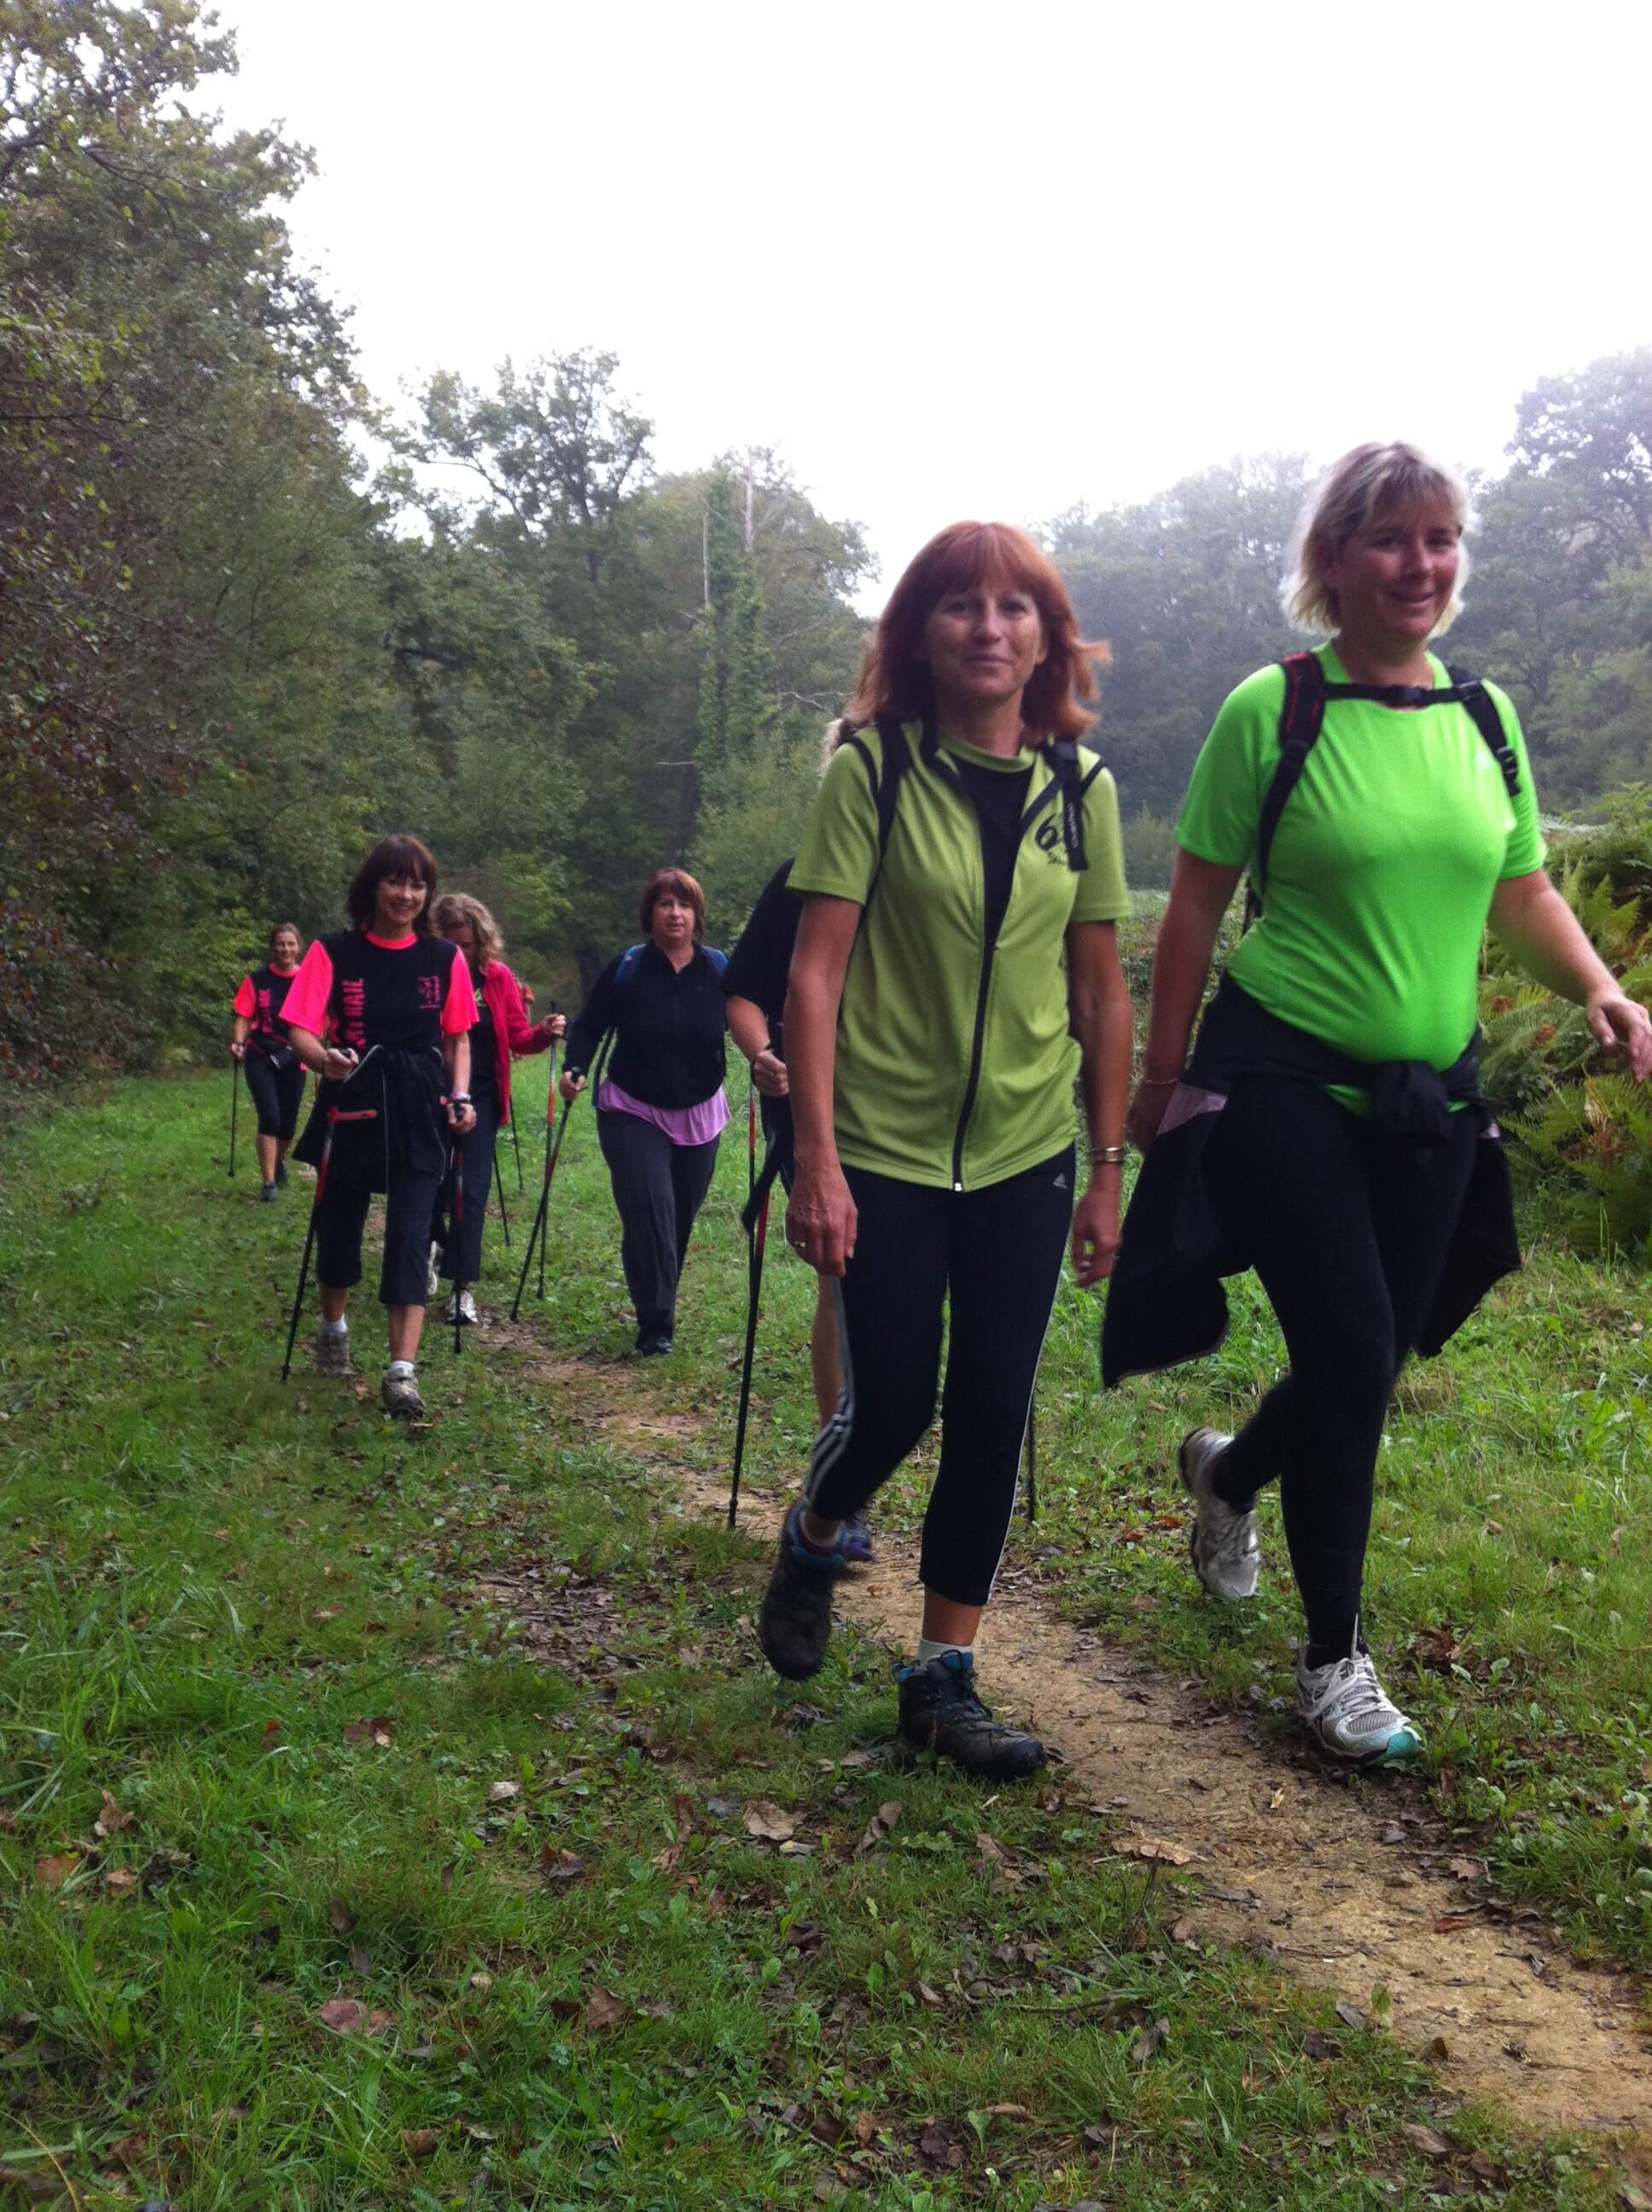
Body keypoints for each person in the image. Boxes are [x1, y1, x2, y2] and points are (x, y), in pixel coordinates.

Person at [1104, 441, 1652, 1768]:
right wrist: (1160, 1079)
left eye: (1441, 538)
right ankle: (1334, 1661)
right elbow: (1192, 908)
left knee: (1375, 1354)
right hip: (1284, 1075)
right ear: (1334, 562)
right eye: (1393, 539)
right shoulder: (1275, 710)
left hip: (1431, 1095)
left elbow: (1522, 887)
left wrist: (1599, 986)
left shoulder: (1485, 716)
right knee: (1353, 1353)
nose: (1422, 564)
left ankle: (1228, 1473)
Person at [762, 521, 1133, 1781]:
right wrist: (817, 1159)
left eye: (1014, 607)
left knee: (990, 1407)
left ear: (1047, 637)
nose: (989, 627)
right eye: (961, 606)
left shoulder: (1082, 790)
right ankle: (818, 1529)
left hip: (1025, 1151)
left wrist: (1107, 1169)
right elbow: (814, 975)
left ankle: (941, 1680)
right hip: (882, 1145)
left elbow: (1102, 992)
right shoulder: (870, 771)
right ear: (919, 635)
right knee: (893, 1403)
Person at [282, 835, 478, 1419]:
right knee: (339, 1229)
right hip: (355, 1096)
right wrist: (323, 1060)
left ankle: (402, 1373)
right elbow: (299, 1027)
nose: (406, 895)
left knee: (412, 1233)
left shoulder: (445, 958)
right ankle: (334, 1327)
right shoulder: (333, 951)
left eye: (418, 884)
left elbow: (457, 1037)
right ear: (373, 886)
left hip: (420, 1105)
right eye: (396, 881)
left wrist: (460, 1095)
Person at [723, 860, 868, 1562]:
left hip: (932, 1118)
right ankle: (846, 1486)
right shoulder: (802, 877)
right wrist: (761, 1054)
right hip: (817, 1117)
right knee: (841, 1279)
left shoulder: (954, 859)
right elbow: (745, 993)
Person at [560, 870, 730, 1355]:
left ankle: (655, 1296)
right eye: (665, 904)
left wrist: (770, 1058)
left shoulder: (720, 970)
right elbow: (589, 1026)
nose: (675, 914)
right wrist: (575, 1067)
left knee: (676, 1219)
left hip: (699, 1112)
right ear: (649, 913)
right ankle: (656, 1324)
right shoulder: (628, 968)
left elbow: (750, 1019)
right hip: (632, 1109)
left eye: (685, 905)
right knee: (650, 1210)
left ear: (697, 916)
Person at [428, 893, 565, 1324]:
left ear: (481, 942)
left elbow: (518, 1036)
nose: (460, 953)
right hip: (427, 1093)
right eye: (451, 944)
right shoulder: (426, 974)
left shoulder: (497, 978)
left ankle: (461, 1289)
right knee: (429, 1184)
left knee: (471, 1189)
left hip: (482, 1097)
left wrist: (543, 1032)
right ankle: (433, 1242)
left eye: (467, 945)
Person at [230, 923, 306, 1201]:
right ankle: (269, 1183)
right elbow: (244, 1016)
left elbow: (320, 1021)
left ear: (299, 947)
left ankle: (279, 1160)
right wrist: (238, 1042)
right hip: (260, 1054)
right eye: (280, 944)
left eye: (291, 944)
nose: (286, 949)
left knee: (288, 1125)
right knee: (270, 1117)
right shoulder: (257, 979)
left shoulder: (308, 980)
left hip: (295, 1055)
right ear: (273, 947)